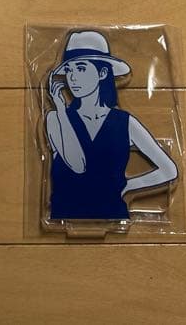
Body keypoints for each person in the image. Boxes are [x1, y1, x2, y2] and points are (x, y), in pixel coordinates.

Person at [46, 30, 178, 220]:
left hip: (113, 215)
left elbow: (169, 170)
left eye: (81, 68)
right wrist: (61, 109)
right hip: (65, 217)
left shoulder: (124, 122)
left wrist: (129, 185)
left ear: (103, 73)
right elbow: (78, 164)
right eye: (69, 70)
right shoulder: (55, 118)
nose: (72, 77)